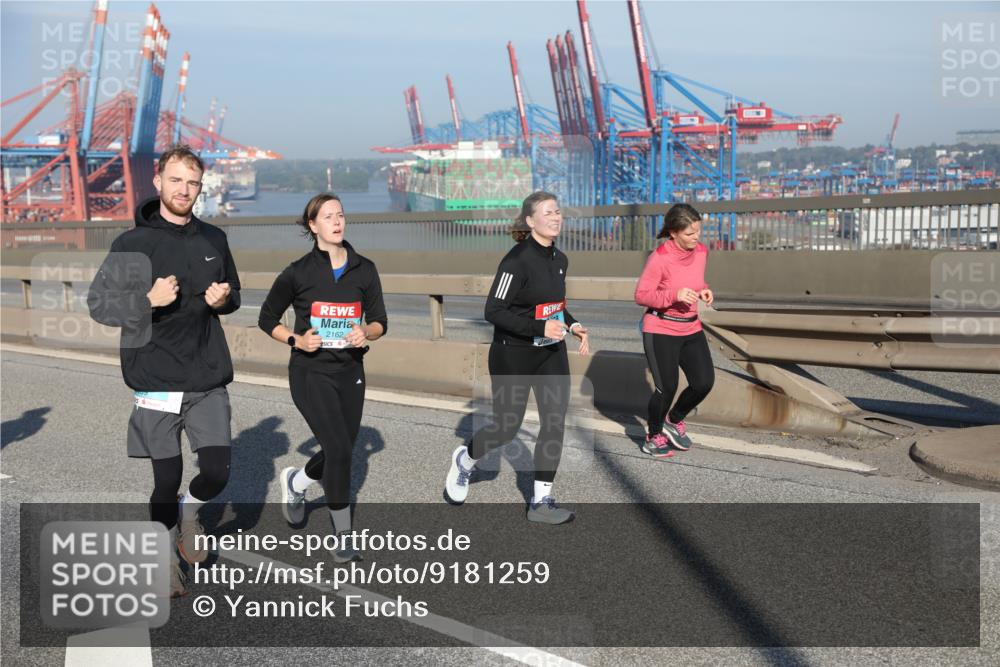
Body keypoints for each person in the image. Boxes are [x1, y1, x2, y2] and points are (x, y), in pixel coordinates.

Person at [88, 145, 241, 597]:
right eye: (176, 180)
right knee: (166, 479)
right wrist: (146, 301)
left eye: (192, 183)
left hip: (207, 374)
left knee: (216, 472)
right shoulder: (131, 244)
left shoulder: (214, 238)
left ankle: (189, 513)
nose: (184, 190)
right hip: (154, 377)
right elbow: (99, 305)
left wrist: (224, 301)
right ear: (158, 183)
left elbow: (233, 294)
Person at [443, 191, 589, 524]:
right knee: (507, 427)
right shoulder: (516, 261)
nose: (556, 217)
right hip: (514, 355)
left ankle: (541, 502)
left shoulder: (560, 260)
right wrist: (540, 325)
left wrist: (573, 323)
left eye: (558, 212)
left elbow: (554, 306)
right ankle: (466, 460)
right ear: (530, 220)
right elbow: (493, 310)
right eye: (548, 212)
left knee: (554, 422)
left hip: (551, 353)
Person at [258, 193, 387, 563]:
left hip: (350, 371)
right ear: (312, 225)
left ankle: (296, 483)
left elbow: (380, 321)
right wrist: (297, 339)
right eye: (328, 216)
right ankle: (343, 535)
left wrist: (368, 332)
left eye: (341, 215)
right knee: (342, 451)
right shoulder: (298, 272)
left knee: (338, 449)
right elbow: (267, 318)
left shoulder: (365, 269)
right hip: (310, 372)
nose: (336, 221)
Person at [634, 203, 715, 457]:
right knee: (666, 387)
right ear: (673, 233)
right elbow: (642, 295)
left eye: (698, 231)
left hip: (691, 327)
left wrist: (704, 289)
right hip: (660, 328)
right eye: (690, 234)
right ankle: (653, 435)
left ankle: (674, 419)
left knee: (703, 383)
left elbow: (694, 280)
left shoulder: (701, 251)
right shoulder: (659, 258)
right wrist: (674, 295)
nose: (696, 237)